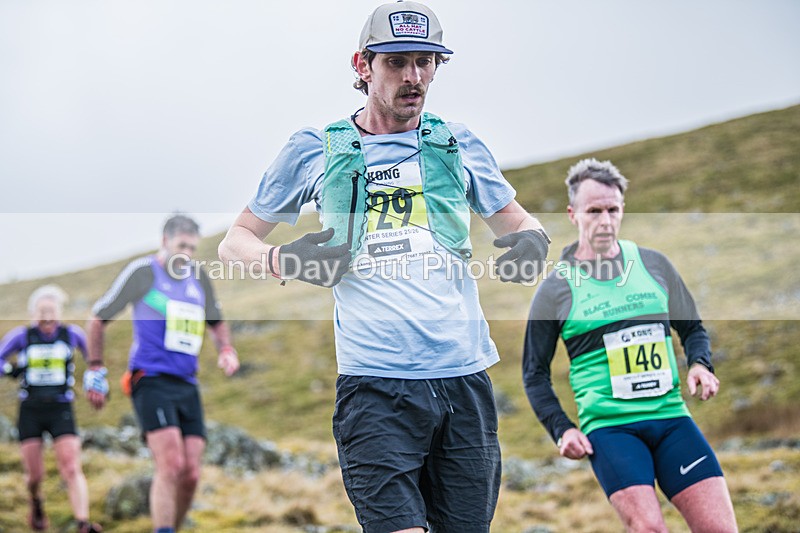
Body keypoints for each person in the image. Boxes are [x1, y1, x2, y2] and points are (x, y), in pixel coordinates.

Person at [218, 2, 549, 531]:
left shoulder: (457, 143)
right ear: (362, 64)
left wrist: (534, 241)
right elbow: (235, 242)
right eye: (396, 62)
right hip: (375, 388)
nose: (414, 76)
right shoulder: (315, 150)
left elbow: (519, 224)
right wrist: (282, 258)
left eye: (426, 62)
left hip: (464, 381)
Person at [523, 158, 738, 532]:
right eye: (594, 211)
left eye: (613, 209)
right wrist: (562, 428)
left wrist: (701, 364)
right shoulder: (556, 289)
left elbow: (692, 329)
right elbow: (534, 373)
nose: (605, 220)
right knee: (650, 528)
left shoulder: (654, 265)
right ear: (573, 214)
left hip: (671, 419)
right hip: (611, 429)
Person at [86, 214, 240, 533]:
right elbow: (98, 318)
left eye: (192, 247)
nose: (186, 253)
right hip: (150, 378)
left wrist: (226, 349)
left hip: (187, 382)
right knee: (171, 465)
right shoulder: (144, 272)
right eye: (181, 245)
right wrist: (96, 367)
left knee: (192, 474)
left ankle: (173, 527)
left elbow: (217, 321)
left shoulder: (198, 277)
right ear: (165, 241)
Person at [0, 284, 106, 533]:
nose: (47, 316)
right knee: (35, 476)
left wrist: (98, 385)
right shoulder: (21, 336)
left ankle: (83, 523)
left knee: (71, 466)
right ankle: (36, 502)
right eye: (41, 311)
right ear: (33, 313)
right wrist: (10, 370)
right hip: (31, 410)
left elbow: (94, 361)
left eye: (51, 310)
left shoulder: (72, 334)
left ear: (59, 311)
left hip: (61, 408)